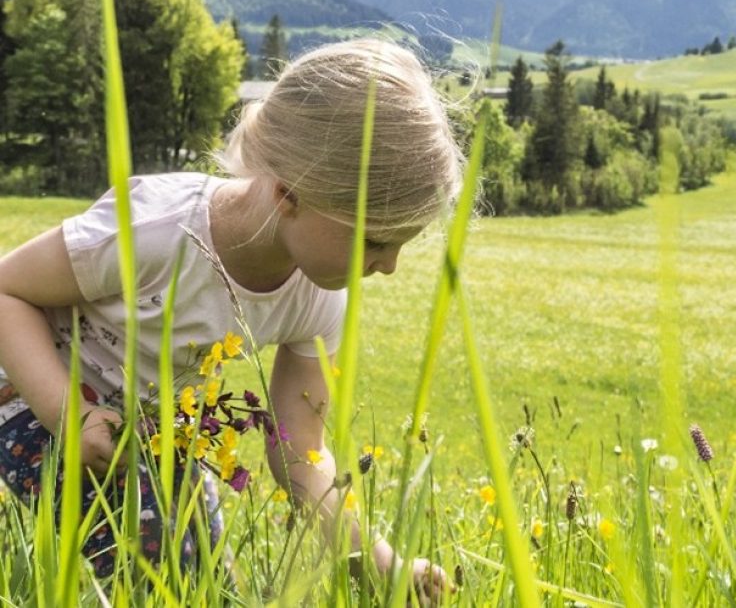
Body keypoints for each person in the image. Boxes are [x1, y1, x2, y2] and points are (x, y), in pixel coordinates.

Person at [0, 38, 463, 600]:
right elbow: (8, 291)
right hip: (27, 394)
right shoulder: (157, 230)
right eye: (375, 240)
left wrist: (382, 562)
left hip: (145, 433)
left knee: (205, 576)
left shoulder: (319, 297)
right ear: (291, 193)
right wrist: (66, 412)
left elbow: (300, 452)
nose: (388, 266)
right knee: (148, 544)